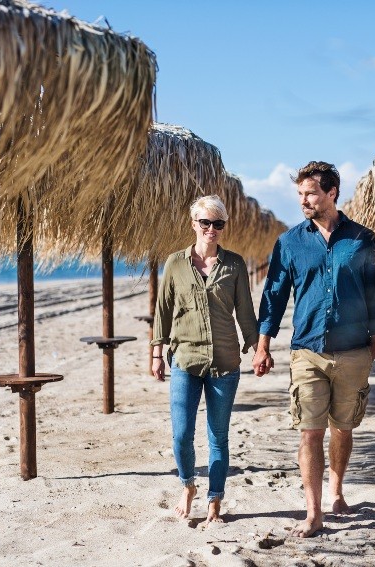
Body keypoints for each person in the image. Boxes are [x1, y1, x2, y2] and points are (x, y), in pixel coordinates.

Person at [252, 161, 375, 538]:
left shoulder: (362, 239)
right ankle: (313, 512)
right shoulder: (290, 242)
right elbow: (274, 297)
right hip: (307, 351)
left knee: (342, 428)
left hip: (354, 350)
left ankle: (337, 492)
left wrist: (374, 341)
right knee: (310, 432)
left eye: (310, 193)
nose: (304, 200)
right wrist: (263, 345)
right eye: (299, 194)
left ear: (332, 193)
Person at [151, 195, 259, 525]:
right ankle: (187, 486)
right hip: (184, 360)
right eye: (205, 223)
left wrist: (258, 349)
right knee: (181, 435)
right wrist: (156, 352)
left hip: (225, 362)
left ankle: (215, 500)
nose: (212, 229)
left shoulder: (235, 264)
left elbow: (245, 311)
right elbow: (163, 311)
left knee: (218, 437)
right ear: (193, 224)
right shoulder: (175, 264)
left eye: (218, 224)